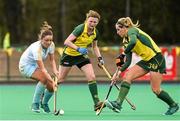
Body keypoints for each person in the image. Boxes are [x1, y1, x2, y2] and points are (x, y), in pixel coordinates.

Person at [105, 17, 179, 115]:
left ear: (124, 28)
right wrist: (118, 72)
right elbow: (128, 61)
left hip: (156, 59)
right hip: (146, 60)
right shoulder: (125, 41)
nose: (117, 32)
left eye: (118, 29)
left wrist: (123, 53)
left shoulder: (132, 31)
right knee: (127, 76)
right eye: (116, 30)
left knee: (156, 90)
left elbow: (133, 42)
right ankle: (118, 103)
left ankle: (173, 105)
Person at [58, 10, 105, 112]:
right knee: (60, 79)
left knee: (92, 76)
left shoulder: (96, 33)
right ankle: (45, 92)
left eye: (95, 22)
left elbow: (95, 47)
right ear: (87, 20)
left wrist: (100, 58)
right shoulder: (80, 29)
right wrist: (78, 48)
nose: (92, 24)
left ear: (97, 23)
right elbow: (67, 41)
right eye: (91, 21)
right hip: (69, 55)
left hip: (81, 57)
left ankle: (97, 103)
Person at [19, 21, 59, 113]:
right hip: (25, 66)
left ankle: (44, 103)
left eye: (50, 40)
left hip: (36, 67)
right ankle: (35, 103)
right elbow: (43, 69)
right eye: (46, 40)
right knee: (45, 79)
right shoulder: (37, 49)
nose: (49, 42)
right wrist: (52, 80)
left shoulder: (51, 45)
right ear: (41, 39)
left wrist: (55, 71)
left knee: (51, 87)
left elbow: (52, 60)